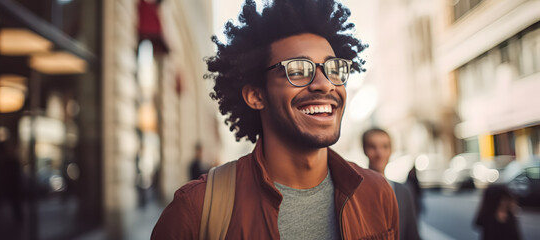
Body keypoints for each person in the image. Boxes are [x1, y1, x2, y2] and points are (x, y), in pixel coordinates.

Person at [152, 0, 399, 239]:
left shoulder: (378, 195)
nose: (325, 84)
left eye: (333, 69)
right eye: (298, 70)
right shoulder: (195, 209)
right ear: (256, 95)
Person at [362, 128, 420, 240]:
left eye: (385, 147)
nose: (380, 153)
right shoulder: (354, 191)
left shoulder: (403, 191)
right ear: (364, 150)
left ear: (391, 150)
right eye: (372, 147)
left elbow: (412, 234)